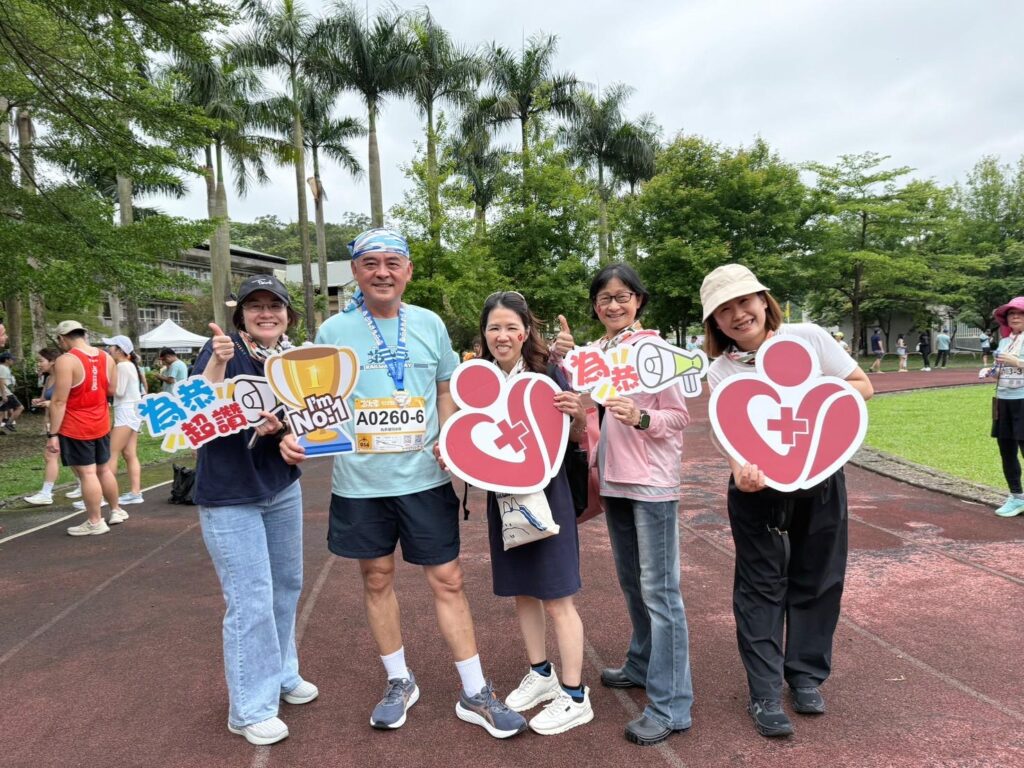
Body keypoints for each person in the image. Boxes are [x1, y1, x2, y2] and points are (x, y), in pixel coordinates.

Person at [280, 228, 527, 739]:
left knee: (448, 580)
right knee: (376, 578)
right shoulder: (333, 331)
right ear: (356, 271)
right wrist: (294, 435)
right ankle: (399, 680)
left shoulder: (429, 324)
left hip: (424, 478)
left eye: (393, 262)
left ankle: (475, 690)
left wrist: (449, 437)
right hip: (360, 483)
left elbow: (445, 387)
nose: (382, 272)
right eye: (371, 263)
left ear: (408, 271)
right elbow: (311, 401)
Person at [699, 264, 872, 739]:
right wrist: (739, 468)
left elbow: (862, 386)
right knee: (760, 587)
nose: (738, 315)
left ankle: (806, 676)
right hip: (757, 490)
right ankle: (764, 692)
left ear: (763, 300)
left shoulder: (809, 339)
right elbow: (725, 431)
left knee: (819, 576)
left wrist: (813, 401)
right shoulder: (722, 369)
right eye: (724, 310)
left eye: (744, 302)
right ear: (715, 322)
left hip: (820, 478)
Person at [552, 262, 694, 747]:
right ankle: (641, 661)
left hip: (652, 483)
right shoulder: (598, 355)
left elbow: (678, 417)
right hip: (613, 479)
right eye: (604, 298)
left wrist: (642, 417)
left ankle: (672, 704)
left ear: (639, 301)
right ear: (595, 306)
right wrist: (562, 359)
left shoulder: (656, 352)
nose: (613, 305)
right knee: (633, 582)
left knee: (661, 592)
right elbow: (578, 398)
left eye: (622, 296)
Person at [193, 274, 317, 746]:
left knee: (286, 585)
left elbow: (301, 420)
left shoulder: (289, 359)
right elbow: (194, 415)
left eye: (275, 305)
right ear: (241, 315)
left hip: (280, 487)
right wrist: (215, 365)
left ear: (288, 314)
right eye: (255, 306)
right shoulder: (222, 351)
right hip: (230, 496)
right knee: (251, 599)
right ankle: (249, 708)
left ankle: (282, 673)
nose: (266, 313)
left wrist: (287, 436)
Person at [469, 291, 592, 735]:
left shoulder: (548, 372)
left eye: (510, 327)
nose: (502, 335)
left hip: (548, 493)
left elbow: (576, 434)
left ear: (525, 332)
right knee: (522, 590)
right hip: (503, 497)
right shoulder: (477, 380)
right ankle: (541, 673)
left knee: (557, 595)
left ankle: (575, 695)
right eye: (494, 327)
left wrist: (577, 414)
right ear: (484, 334)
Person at [48, 321, 130, 536]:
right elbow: (111, 390)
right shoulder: (106, 357)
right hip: (101, 420)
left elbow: (59, 401)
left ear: (62, 338)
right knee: (103, 469)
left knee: (87, 473)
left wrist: (53, 433)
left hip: (76, 425)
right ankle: (116, 510)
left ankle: (95, 521)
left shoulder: (66, 360)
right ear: (83, 335)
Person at [981, 297, 1024, 518]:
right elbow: (999, 370)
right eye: (1011, 314)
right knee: (1006, 450)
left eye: (1020, 313)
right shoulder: (1005, 342)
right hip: (1003, 400)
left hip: (1023, 400)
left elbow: (1014, 364)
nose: (1015, 317)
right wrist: (990, 372)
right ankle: (1016, 496)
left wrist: (1016, 362)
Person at [102, 335, 145, 506]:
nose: (108, 349)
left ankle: (101, 496)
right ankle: (135, 492)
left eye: (111, 346)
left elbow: (118, 392)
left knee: (111, 453)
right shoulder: (129, 365)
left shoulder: (122, 366)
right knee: (129, 454)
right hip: (132, 411)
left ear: (119, 350)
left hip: (126, 411)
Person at [24, 349, 63, 505]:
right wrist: (38, 401)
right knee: (69, 458)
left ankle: (46, 493)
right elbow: (44, 398)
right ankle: (83, 486)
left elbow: (66, 401)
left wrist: (51, 403)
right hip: (53, 423)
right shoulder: (48, 379)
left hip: (65, 422)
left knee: (51, 455)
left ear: (52, 361)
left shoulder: (63, 377)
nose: (39, 364)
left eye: (41, 361)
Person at [0, 350, 24, 431]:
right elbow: (1, 381)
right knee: (20, 407)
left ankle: (8, 423)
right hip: (6, 393)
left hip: (6, 392)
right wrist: (4, 394)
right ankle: (9, 423)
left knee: (1, 411)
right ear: (6, 360)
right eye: (11, 359)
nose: (13, 361)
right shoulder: (2, 368)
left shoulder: (5, 368)